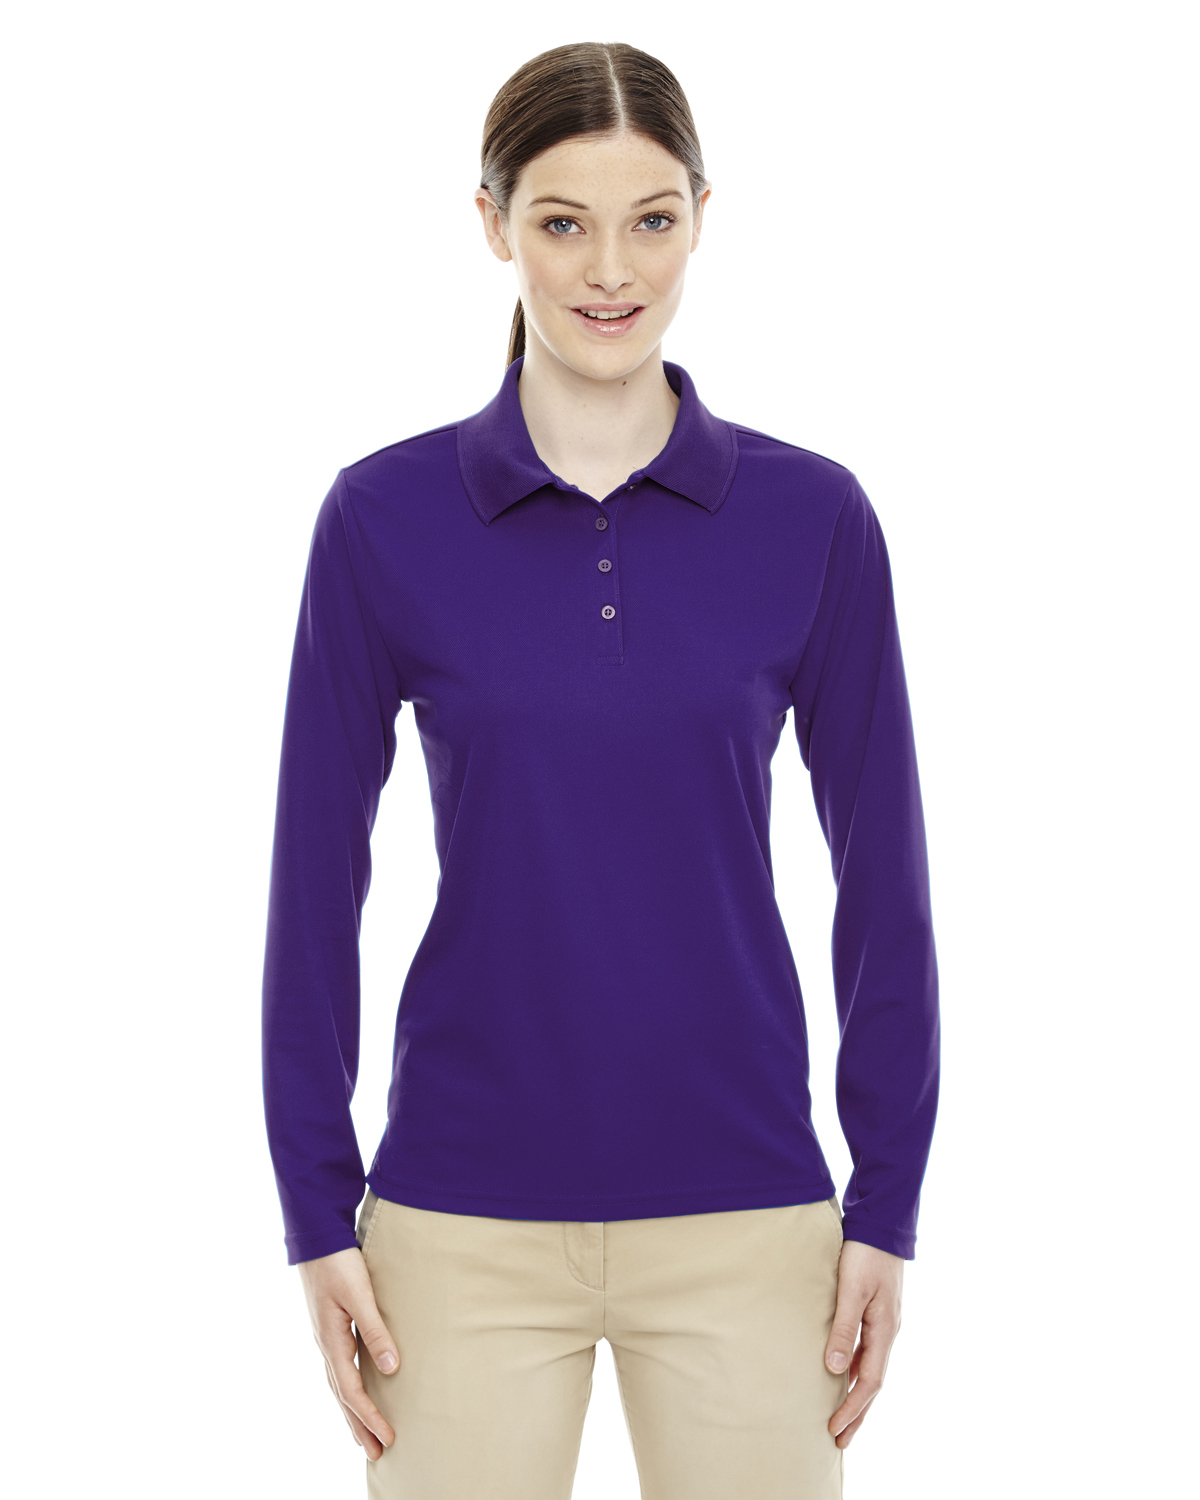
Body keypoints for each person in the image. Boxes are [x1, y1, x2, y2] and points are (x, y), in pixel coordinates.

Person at [262, 39, 940, 1500]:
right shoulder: (381, 520)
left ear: (703, 216)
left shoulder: (814, 519)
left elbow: (886, 883)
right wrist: (316, 1210)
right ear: (493, 223)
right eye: (563, 221)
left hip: (752, 1216)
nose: (610, 270)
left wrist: (887, 1200)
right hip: (455, 1225)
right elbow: (313, 888)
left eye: (652, 219)